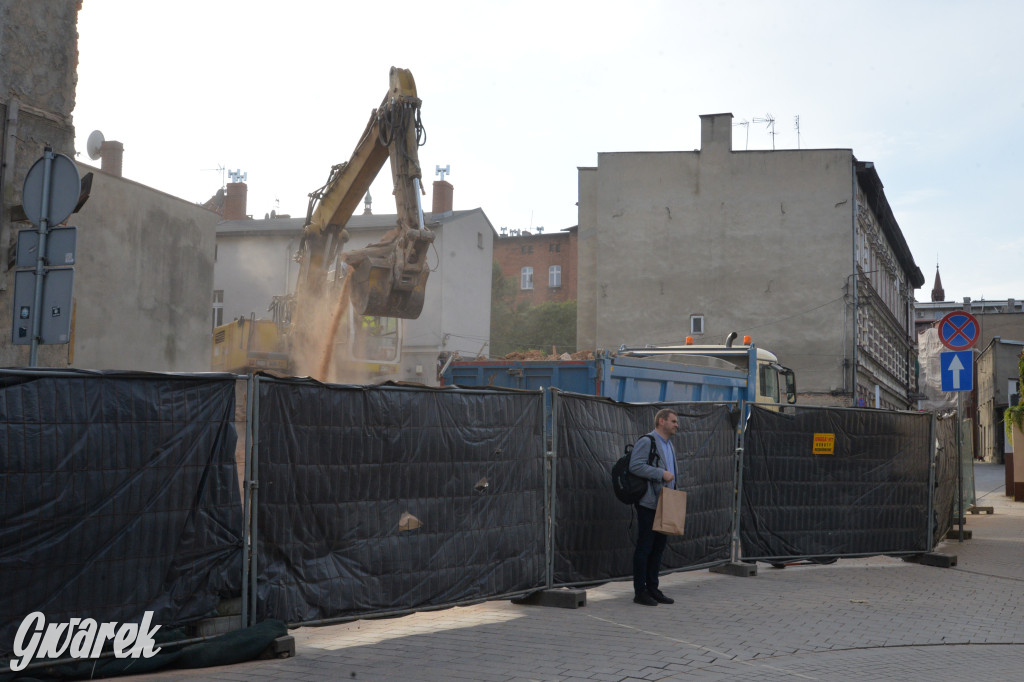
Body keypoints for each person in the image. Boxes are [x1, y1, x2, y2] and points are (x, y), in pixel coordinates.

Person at [628, 408, 679, 606]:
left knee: (658, 548)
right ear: (661, 421)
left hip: (666, 502)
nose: (676, 425)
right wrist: (660, 473)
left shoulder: (669, 445)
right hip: (649, 503)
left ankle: (653, 588)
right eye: (673, 421)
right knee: (645, 547)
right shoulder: (647, 441)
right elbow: (635, 465)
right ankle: (640, 591)